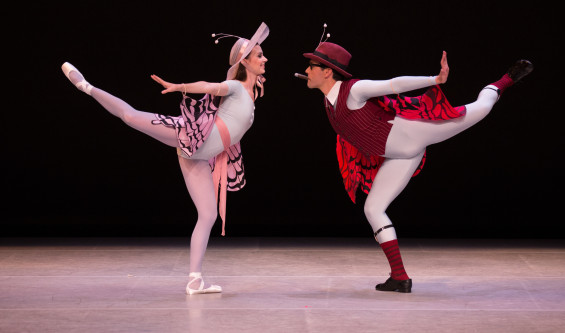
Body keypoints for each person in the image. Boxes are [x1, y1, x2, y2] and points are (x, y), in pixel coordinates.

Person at [301, 29, 533, 293]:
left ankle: (505, 81)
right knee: (373, 209)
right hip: (401, 154)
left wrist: (435, 79)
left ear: (327, 71)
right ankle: (400, 277)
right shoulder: (327, 103)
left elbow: (393, 84)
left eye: (311, 66)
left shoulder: (354, 90)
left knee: (481, 109)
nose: (307, 71)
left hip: (415, 131)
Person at [61, 22, 269, 295]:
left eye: (263, 54)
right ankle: (86, 86)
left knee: (208, 215)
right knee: (131, 116)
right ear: (245, 62)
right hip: (189, 135)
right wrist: (179, 86)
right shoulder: (236, 87)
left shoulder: (251, 94)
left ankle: (195, 280)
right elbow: (210, 86)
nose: (265, 59)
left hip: (197, 156)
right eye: (259, 55)